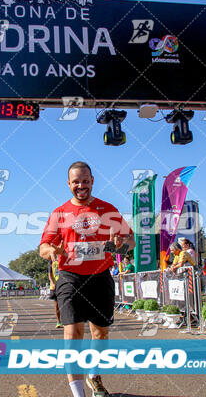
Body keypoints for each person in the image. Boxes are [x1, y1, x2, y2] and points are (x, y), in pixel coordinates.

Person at [39, 161, 134, 397]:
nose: (80, 185)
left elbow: (131, 241)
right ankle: (78, 393)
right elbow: (42, 247)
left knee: (100, 333)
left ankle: (94, 376)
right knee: (73, 333)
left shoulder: (108, 209)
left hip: (100, 276)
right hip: (70, 276)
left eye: (85, 181)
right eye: (75, 182)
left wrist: (121, 246)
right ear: (68, 184)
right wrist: (52, 252)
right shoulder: (59, 213)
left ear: (92, 181)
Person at [48, 259, 63, 328]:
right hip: (54, 287)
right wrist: (52, 283)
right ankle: (59, 322)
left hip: (64, 285)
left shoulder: (63, 259)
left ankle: (68, 321)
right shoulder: (51, 262)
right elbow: (50, 275)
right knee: (57, 305)